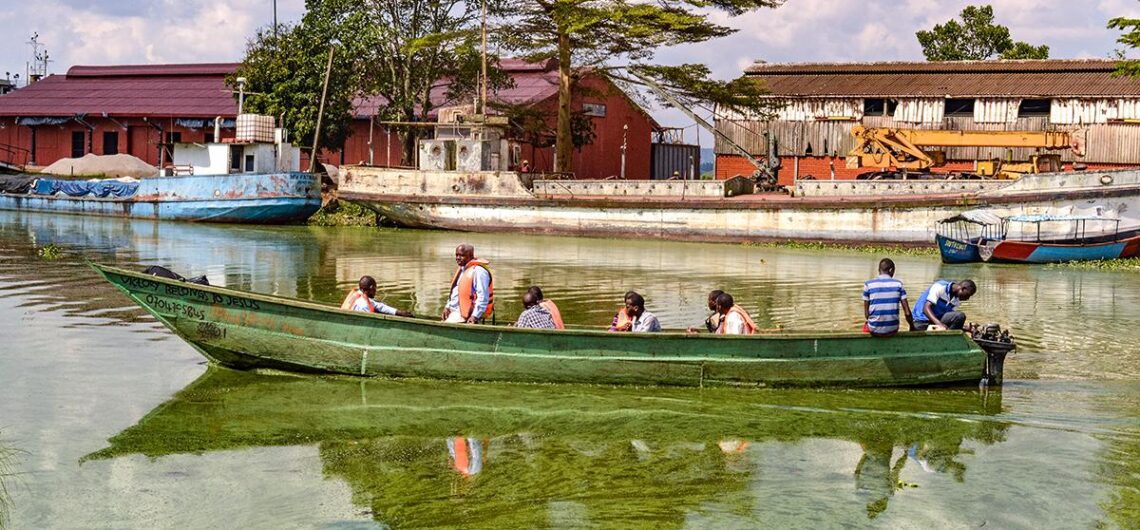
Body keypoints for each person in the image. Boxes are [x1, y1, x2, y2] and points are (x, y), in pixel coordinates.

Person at [442, 244, 494, 324]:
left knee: (444, 327)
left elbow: (483, 297)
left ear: (470, 256)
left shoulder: (479, 271)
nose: (458, 258)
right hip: (457, 312)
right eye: (457, 255)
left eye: (462, 255)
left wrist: (475, 316)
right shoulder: (462, 269)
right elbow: (456, 292)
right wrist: (448, 307)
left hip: (468, 314)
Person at [862, 258, 914, 336]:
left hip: (874, 330)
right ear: (891, 270)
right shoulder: (898, 285)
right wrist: (912, 326)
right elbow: (907, 313)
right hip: (893, 329)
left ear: (879, 270)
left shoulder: (868, 284)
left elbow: (867, 315)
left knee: (865, 326)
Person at [911, 279, 976, 331]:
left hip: (935, 321)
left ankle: (949, 340)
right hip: (921, 320)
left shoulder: (956, 300)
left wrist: (965, 328)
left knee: (960, 316)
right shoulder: (940, 287)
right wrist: (939, 324)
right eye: (968, 295)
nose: (967, 298)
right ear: (963, 289)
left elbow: (952, 321)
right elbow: (926, 308)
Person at [340, 275, 413, 317]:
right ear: (371, 288)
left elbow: (378, 306)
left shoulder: (354, 294)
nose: (375, 292)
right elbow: (381, 307)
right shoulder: (366, 302)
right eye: (375, 289)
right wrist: (401, 312)